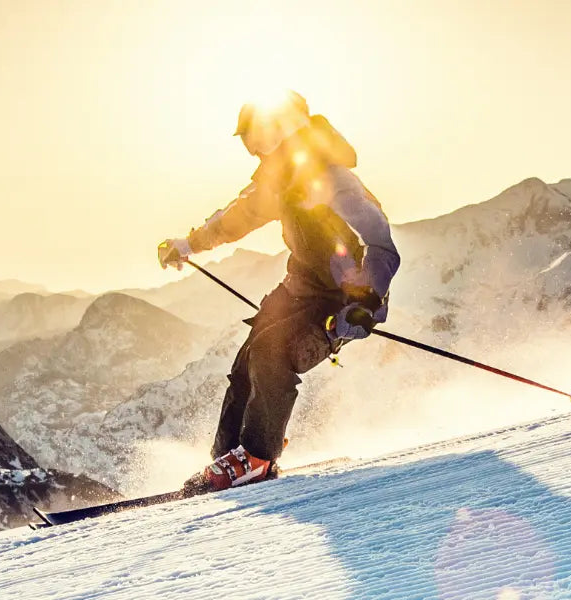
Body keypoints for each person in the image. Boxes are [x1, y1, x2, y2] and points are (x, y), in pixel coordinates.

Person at [157, 91, 401, 493]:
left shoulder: (332, 180)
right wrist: (188, 245)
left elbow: (377, 241)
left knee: (274, 351)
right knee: (246, 361)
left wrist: (367, 302)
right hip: (300, 288)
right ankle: (230, 457)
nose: (252, 152)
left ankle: (256, 456)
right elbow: (234, 219)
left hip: (343, 300)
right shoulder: (280, 181)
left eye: (253, 141)